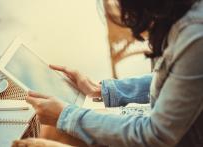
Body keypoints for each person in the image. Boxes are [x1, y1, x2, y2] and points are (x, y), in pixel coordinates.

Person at [12, 0, 203, 146]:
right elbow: (175, 82)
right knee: (52, 127)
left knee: (53, 130)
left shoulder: (195, 36)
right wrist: (104, 90)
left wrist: (66, 116)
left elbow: (157, 135)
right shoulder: (179, 16)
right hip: (159, 126)